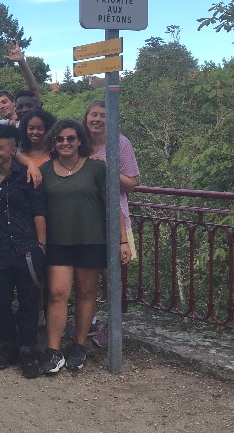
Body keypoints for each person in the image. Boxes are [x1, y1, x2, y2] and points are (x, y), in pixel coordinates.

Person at [39, 118, 132, 374]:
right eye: (60, 139)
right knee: (58, 293)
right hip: (58, 241)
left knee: (86, 293)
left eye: (70, 138)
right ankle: (53, 349)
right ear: (53, 142)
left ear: (80, 140)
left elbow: (112, 206)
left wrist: (123, 241)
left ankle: (79, 345)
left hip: (91, 240)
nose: (65, 143)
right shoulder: (45, 171)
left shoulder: (97, 169)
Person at [0, 124, 47, 379]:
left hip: (26, 248)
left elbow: (39, 211)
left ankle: (27, 349)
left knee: (29, 301)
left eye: (0, 148)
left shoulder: (28, 176)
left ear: (13, 150)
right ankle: (8, 345)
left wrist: (41, 246)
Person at [83, 99, 140, 347]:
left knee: (112, 278)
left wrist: (106, 167)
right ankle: (90, 322)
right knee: (85, 278)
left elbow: (131, 184)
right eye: (94, 114)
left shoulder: (120, 143)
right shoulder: (78, 143)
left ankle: (112, 326)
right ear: (86, 117)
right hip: (85, 219)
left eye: (103, 115)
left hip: (115, 220)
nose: (97, 119)